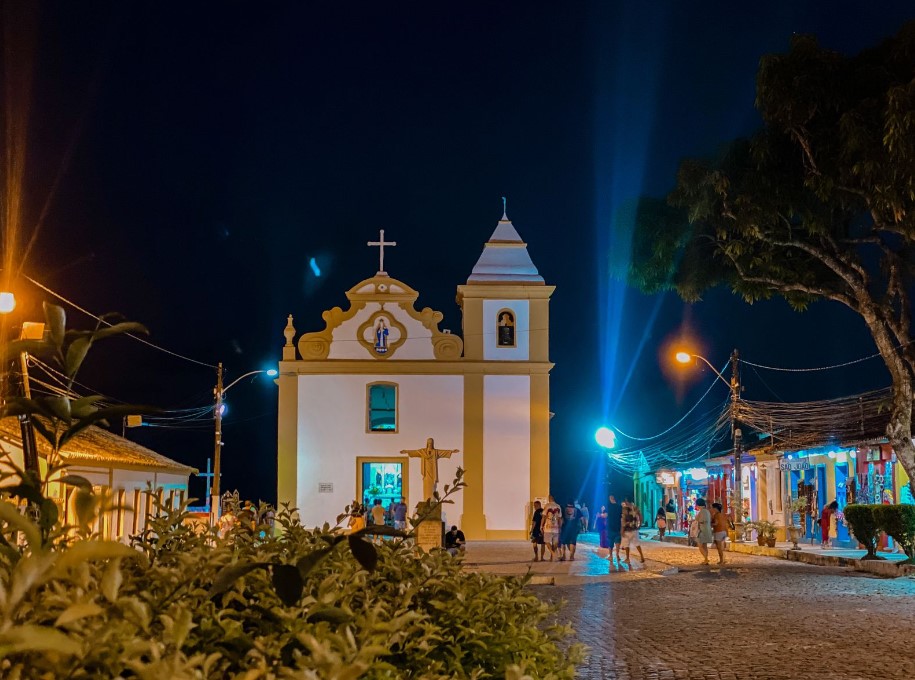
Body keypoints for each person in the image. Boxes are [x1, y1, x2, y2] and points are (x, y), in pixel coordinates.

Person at [540, 495, 563, 561]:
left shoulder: (547, 506)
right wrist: (560, 527)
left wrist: (541, 526)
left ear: (549, 499)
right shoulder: (558, 506)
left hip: (548, 527)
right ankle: (552, 557)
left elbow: (544, 517)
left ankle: (552, 553)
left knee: (547, 541)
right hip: (556, 528)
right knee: (555, 543)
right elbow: (560, 518)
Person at [694, 498, 714, 565]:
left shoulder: (702, 512)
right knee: (704, 546)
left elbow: (700, 520)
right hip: (707, 530)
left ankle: (706, 558)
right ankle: (705, 559)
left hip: (702, 530)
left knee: (700, 545)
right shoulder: (707, 511)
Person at [606, 495, 623, 563]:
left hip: (610, 527)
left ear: (611, 498)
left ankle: (611, 556)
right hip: (618, 527)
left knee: (610, 542)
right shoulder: (619, 507)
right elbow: (621, 517)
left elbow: (606, 515)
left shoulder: (609, 507)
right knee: (617, 541)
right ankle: (617, 555)